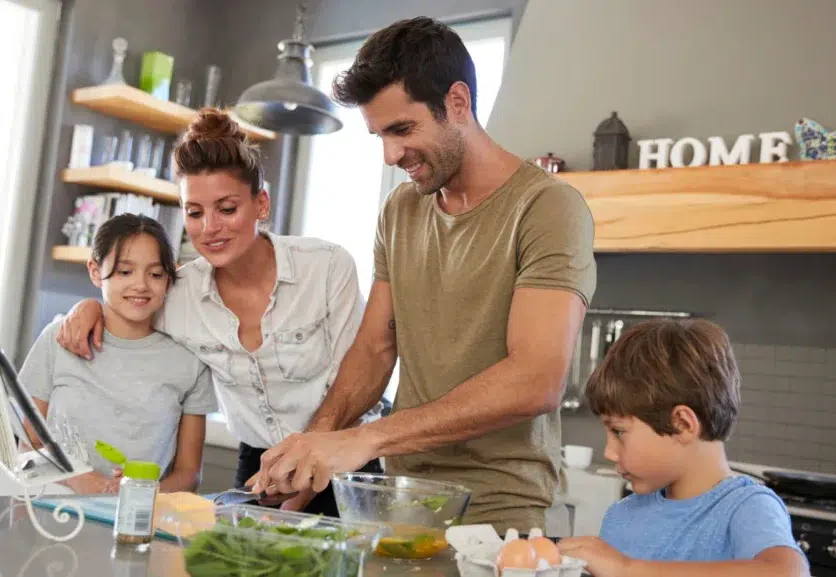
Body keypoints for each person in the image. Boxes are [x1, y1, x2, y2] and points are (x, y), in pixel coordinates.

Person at [250, 17, 596, 535]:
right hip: (404, 504)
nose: (390, 155)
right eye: (379, 135)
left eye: (402, 130)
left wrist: (367, 439)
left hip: (500, 515)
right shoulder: (401, 210)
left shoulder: (547, 207)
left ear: (458, 103)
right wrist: (317, 443)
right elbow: (375, 348)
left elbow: (538, 378)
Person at [54, 108, 384, 515]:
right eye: (194, 212)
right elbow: (128, 307)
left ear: (260, 204)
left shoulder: (327, 267)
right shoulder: (179, 293)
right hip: (259, 472)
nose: (210, 228)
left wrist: (301, 479)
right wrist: (87, 307)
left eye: (227, 209)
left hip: (344, 461)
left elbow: (358, 373)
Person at [556, 319, 809, 577]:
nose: (609, 452)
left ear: (682, 425)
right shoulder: (622, 514)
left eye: (619, 432)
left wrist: (627, 569)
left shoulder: (745, 508)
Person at [19, 214, 215, 494]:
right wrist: (81, 479)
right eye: (125, 271)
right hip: (51, 518)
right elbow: (28, 450)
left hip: (136, 524)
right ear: (95, 271)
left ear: (170, 278)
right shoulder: (59, 339)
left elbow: (189, 473)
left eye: (156, 274)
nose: (141, 284)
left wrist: (143, 494)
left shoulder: (191, 361)